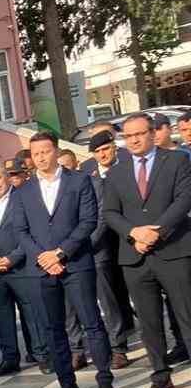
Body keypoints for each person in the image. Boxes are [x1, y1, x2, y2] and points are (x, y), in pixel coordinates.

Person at [7, 130, 115, 388]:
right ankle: (67, 382)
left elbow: (88, 221)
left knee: (91, 322)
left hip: (77, 263)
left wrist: (61, 252)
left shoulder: (79, 181)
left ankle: (105, 379)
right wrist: (44, 257)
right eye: (35, 154)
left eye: (45, 151)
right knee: (54, 327)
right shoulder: (22, 192)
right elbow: (20, 231)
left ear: (55, 151)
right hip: (42, 268)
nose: (41, 157)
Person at [102, 110, 191, 388]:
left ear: (153, 133)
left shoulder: (176, 160)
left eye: (140, 133)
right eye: (129, 136)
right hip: (135, 256)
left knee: (186, 314)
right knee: (149, 321)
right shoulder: (117, 171)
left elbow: (184, 199)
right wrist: (134, 233)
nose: (135, 140)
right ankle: (160, 375)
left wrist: (158, 231)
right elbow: (111, 213)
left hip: (173, 249)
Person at [0, 163, 49, 376]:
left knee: (32, 313)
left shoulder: (24, 198)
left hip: (21, 268)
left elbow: (31, 234)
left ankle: (42, 355)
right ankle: (9, 358)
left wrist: (12, 258)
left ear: (7, 177)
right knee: (2, 316)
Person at [78, 130, 135, 368]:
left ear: (114, 148)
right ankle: (118, 346)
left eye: (106, 149)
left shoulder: (129, 167)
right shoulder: (88, 175)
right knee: (109, 297)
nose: (103, 154)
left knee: (130, 294)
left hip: (129, 242)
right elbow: (97, 215)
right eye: (98, 151)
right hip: (101, 246)